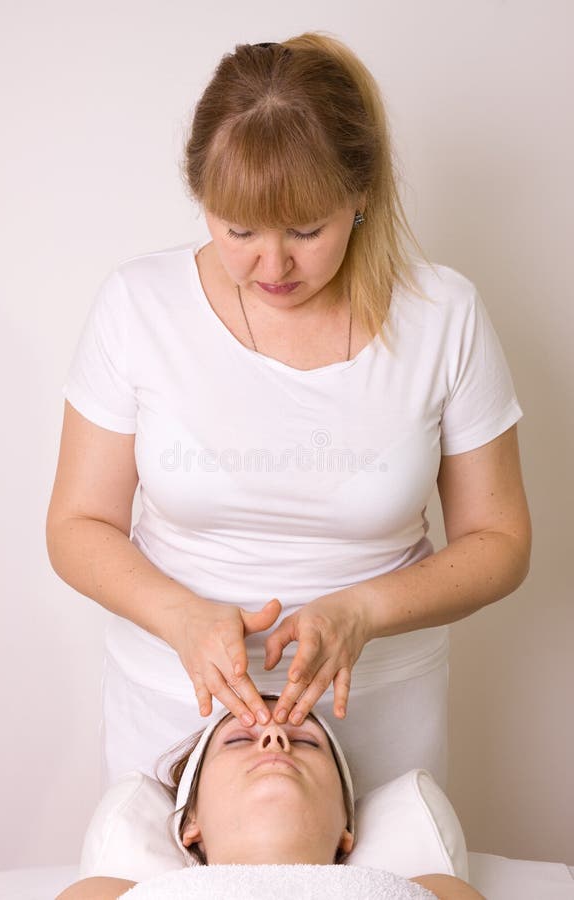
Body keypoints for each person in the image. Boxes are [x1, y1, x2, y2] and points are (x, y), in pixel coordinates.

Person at [46, 33, 532, 799]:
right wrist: (180, 617)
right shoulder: (139, 305)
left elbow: (500, 540)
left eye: (306, 231)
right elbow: (77, 525)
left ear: (361, 193)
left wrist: (363, 611)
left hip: (379, 711)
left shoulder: (444, 315)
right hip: (172, 704)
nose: (272, 267)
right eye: (239, 231)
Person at [56, 697, 485, 899]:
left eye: (309, 743)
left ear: (346, 828)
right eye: (239, 739)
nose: (275, 738)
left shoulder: (436, 891)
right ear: (190, 824)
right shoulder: (107, 895)